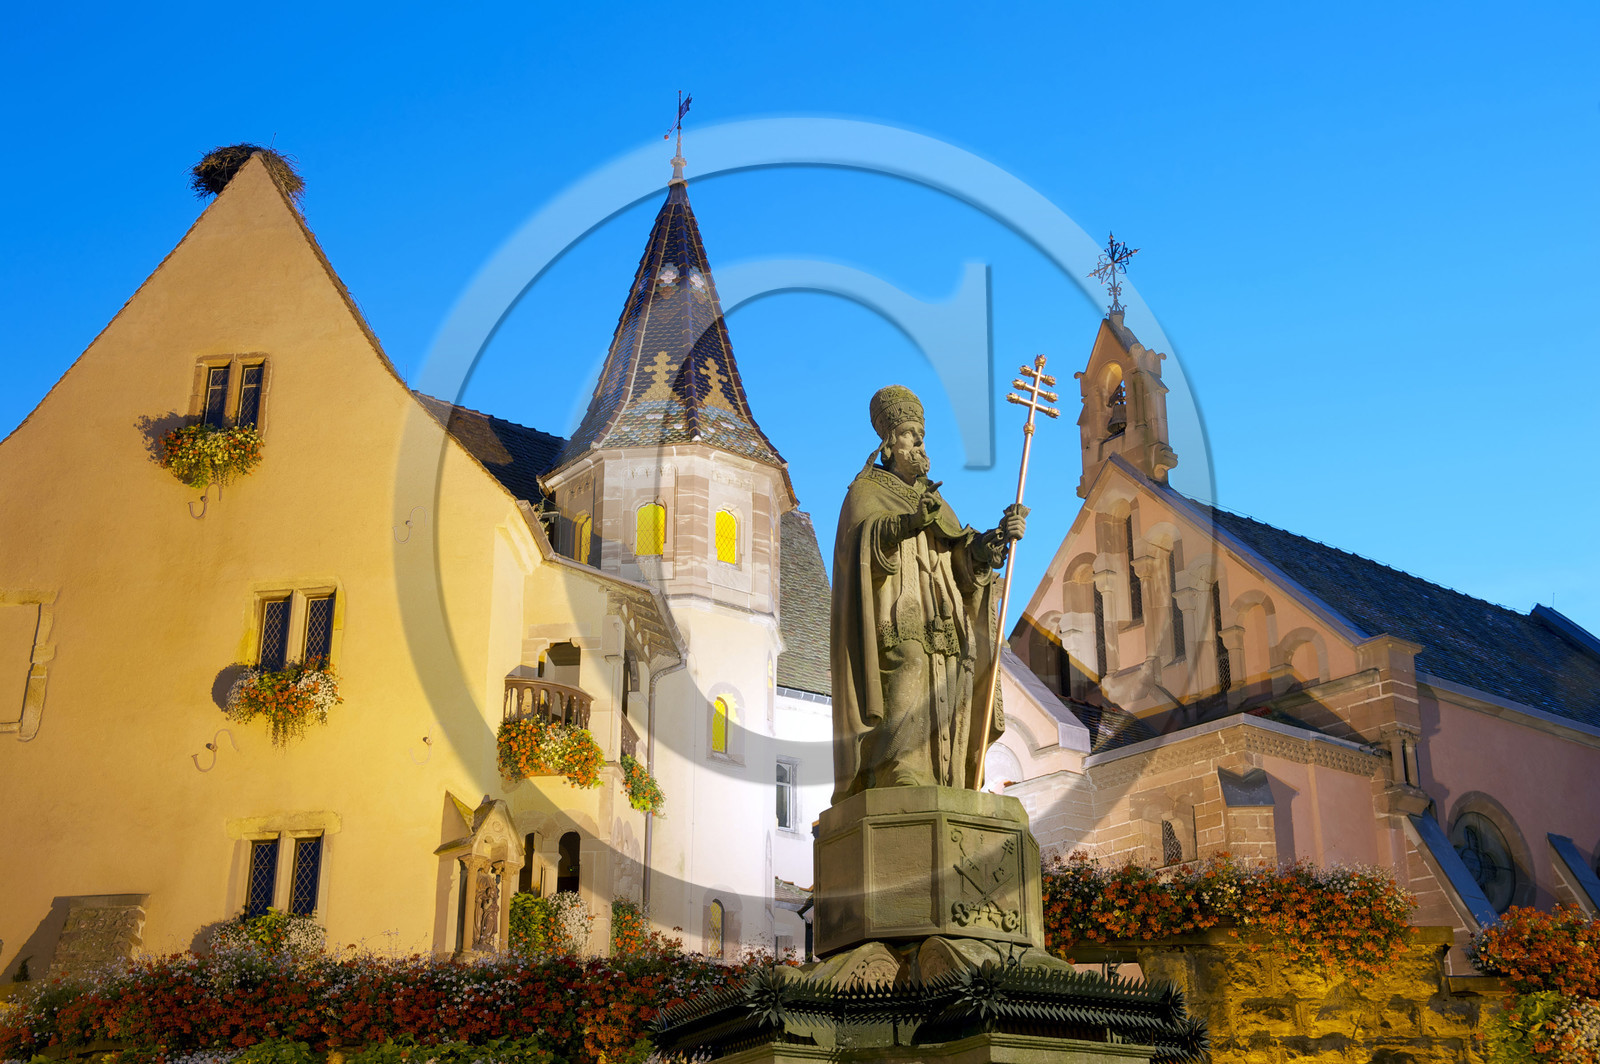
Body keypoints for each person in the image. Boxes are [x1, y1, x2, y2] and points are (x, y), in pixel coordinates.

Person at [831, 385, 1026, 803]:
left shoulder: (934, 498)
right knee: (911, 663)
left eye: (922, 433)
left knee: (952, 677)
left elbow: (961, 555)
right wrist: (905, 523)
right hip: (896, 605)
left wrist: (992, 542)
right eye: (910, 432)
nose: (920, 441)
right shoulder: (866, 490)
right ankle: (897, 769)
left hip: (940, 608)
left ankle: (943, 778)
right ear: (888, 444)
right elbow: (863, 541)